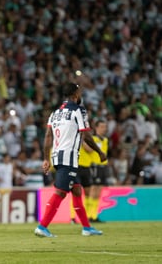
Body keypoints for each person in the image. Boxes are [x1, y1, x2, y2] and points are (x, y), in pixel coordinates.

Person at [35, 82, 106, 238]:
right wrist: (99, 152)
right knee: (60, 193)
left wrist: (46, 159)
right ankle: (42, 226)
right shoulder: (78, 111)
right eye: (79, 93)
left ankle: (86, 228)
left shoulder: (55, 113)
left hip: (57, 156)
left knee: (77, 190)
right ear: (75, 94)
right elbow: (86, 135)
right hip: (69, 157)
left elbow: (48, 137)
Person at [86, 119, 109, 222]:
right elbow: (89, 150)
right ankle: (89, 215)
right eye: (102, 127)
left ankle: (94, 215)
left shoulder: (105, 140)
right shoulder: (93, 139)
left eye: (105, 127)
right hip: (95, 166)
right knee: (93, 190)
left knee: (99, 191)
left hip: (103, 167)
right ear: (96, 128)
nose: (104, 129)